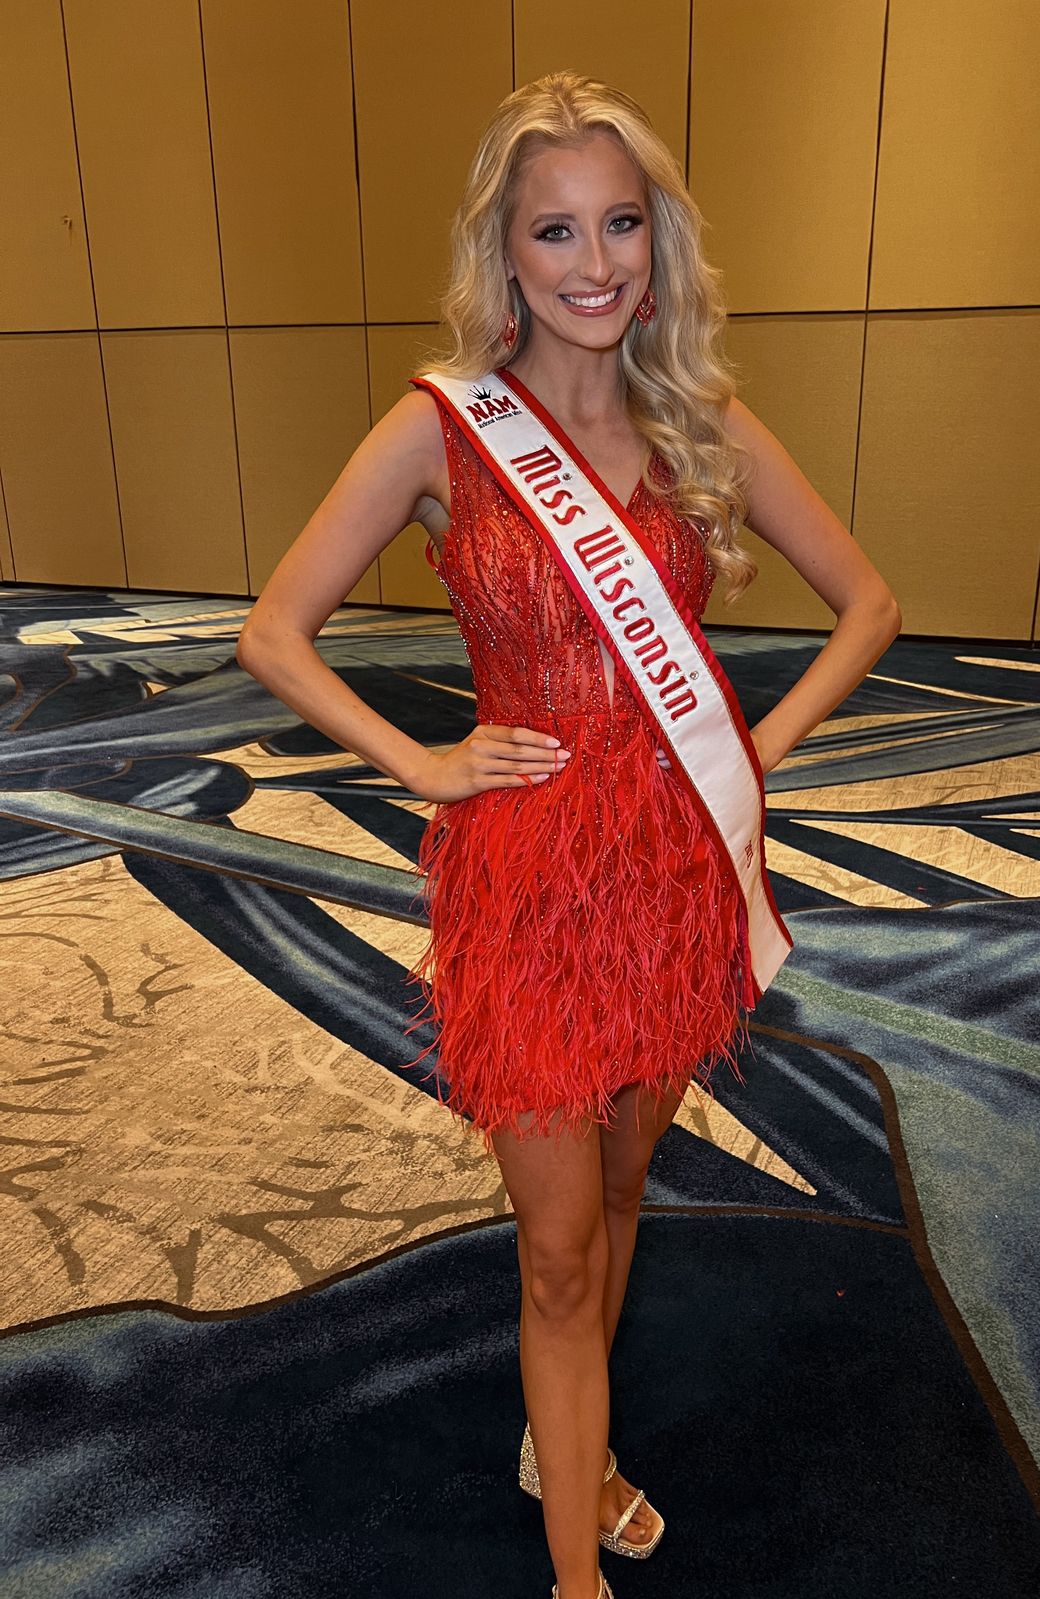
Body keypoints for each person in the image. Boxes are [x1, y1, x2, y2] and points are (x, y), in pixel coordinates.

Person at [236, 70, 901, 1599]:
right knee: (553, 1247)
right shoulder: (443, 431)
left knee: (616, 1195)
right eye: (556, 231)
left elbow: (868, 605)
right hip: (528, 880)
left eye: (622, 224)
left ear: (657, 241)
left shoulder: (702, 419)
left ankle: (572, 1443)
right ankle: (572, 1567)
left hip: (670, 875)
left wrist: (763, 744)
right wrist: (424, 759)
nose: (594, 263)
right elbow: (277, 632)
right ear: (509, 257)